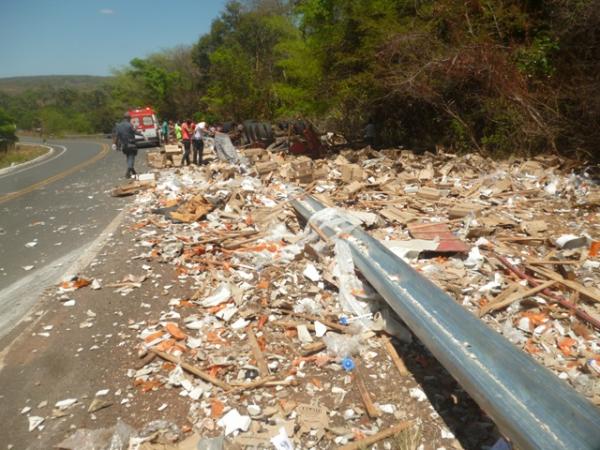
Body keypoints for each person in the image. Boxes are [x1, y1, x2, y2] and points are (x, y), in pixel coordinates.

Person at [113, 112, 140, 178]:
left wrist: (114, 144)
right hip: (131, 144)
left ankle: (133, 171)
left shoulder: (119, 126)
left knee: (128, 157)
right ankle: (128, 171)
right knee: (131, 156)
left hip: (124, 146)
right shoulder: (129, 125)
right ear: (128, 118)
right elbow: (134, 132)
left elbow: (116, 136)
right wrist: (142, 134)